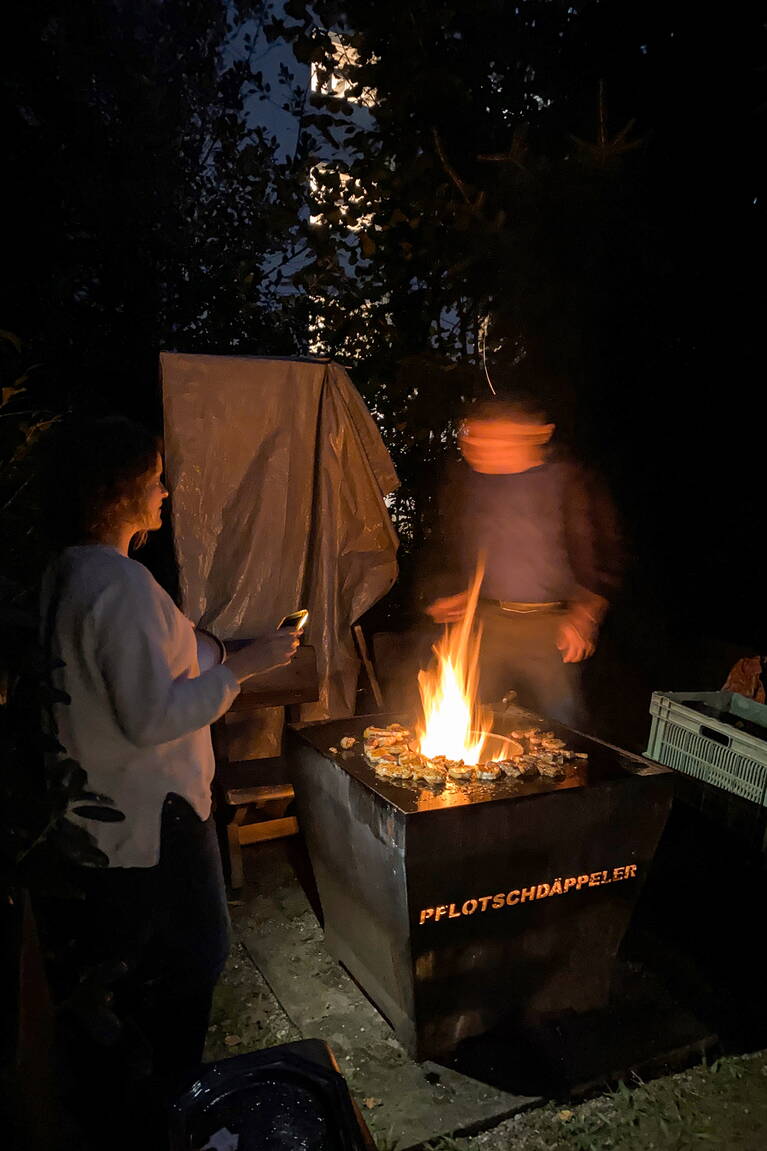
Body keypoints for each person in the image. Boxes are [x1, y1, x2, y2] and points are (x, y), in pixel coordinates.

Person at [36, 416, 300, 1148]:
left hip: (105, 816)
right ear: (117, 488)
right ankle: (165, 1118)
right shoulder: (118, 581)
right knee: (188, 965)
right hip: (155, 817)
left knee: (140, 975)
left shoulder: (70, 570)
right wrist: (243, 669)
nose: (165, 487)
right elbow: (153, 713)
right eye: (154, 474)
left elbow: (167, 650)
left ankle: (140, 1108)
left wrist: (228, 648)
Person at [426, 392, 622, 728]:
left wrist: (585, 612)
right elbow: (456, 549)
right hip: (485, 619)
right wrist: (458, 592)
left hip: (550, 625)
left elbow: (605, 555)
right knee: (465, 716)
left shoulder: (569, 483)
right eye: (473, 438)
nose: (475, 447)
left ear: (536, 435)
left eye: (492, 438)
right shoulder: (471, 485)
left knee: (561, 723)